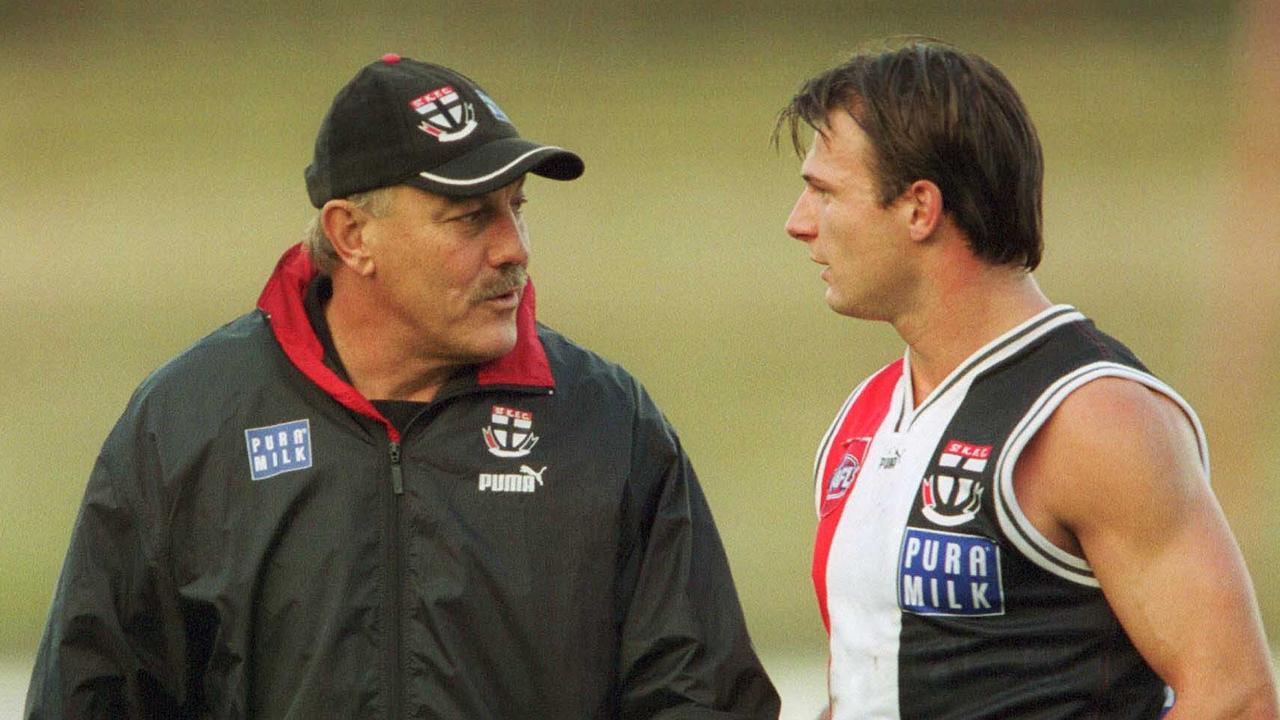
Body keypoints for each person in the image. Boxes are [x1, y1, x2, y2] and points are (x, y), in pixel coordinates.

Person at [26, 54, 780, 719]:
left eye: (518, 209)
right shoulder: (191, 423)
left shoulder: (606, 424)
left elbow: (701, 698)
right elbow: (91, 696)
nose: (514, 250)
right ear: (353, 236)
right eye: (470, 217)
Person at [777, 39, 1278, 719]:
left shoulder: (1093, 419)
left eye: (825, 193)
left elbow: (1235, 696)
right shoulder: (864, 418)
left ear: (920, 208)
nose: (798, 224)